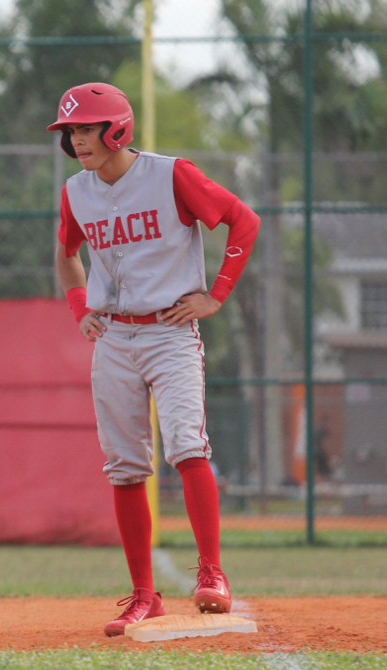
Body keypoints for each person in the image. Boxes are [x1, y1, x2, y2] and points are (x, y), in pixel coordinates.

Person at [48, 82, 261, 637]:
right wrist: (79, 308)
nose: (76, 139)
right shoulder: (77, 191)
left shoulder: (171, 175)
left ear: (116, 129)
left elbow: (244, 221)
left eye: (85, 128)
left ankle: (212, 573)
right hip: (114, 338)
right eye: (70, 131)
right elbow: (66, 254)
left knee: (188, 445)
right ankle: (145, 595)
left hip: (170, 331)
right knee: (124, 468)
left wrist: (216, 294)